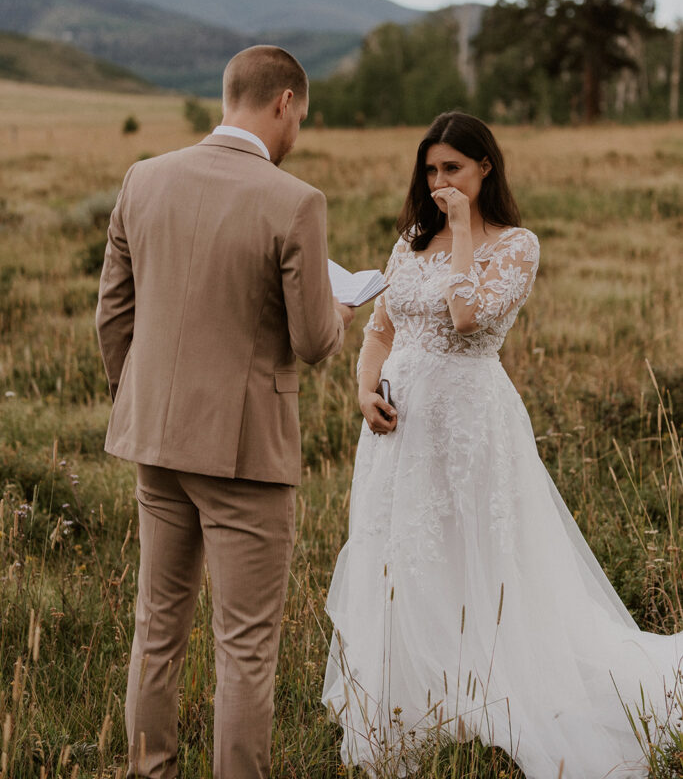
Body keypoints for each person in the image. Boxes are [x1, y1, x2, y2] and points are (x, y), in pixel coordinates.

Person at [323, 111, 681, 779]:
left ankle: (492, 681)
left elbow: (465, 317)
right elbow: (379, 330)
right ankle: (412, 701)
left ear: (485, 167)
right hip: (400, 428)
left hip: (469, 421)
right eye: (430, 170)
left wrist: (461, 234)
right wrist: (364, 390)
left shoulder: (517, 246)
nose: (438, 183)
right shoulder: (409, 242)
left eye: (452, 169)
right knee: (400, 551)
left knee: (478, 550)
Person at [96, 45, 354, 779]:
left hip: (154, 442)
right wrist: (338, 309)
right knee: (245, 645)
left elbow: (112, 317)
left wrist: (141, 402)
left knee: (157, 628)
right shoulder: (294, 200)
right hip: (245, 454)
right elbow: (310, 343)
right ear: (283, 103)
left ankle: (151, 773)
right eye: (300, 114)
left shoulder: (142, 179)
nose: (298, 128)